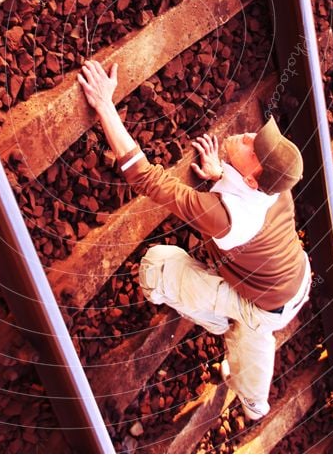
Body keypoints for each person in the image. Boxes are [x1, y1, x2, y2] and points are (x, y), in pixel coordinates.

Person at [77, 58, 312, 423]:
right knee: (249, 330)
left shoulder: (225, 218)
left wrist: (105, 106)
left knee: (156, 266)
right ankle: (236, 331)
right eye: (258, 138)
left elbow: (146, 178)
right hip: (295, 282)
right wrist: (223, 173)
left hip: (263, 309)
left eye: (253, 149)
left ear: (253, 179)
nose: (248, 136)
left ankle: (251, 399)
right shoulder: (277, 189)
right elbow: (250, 195)